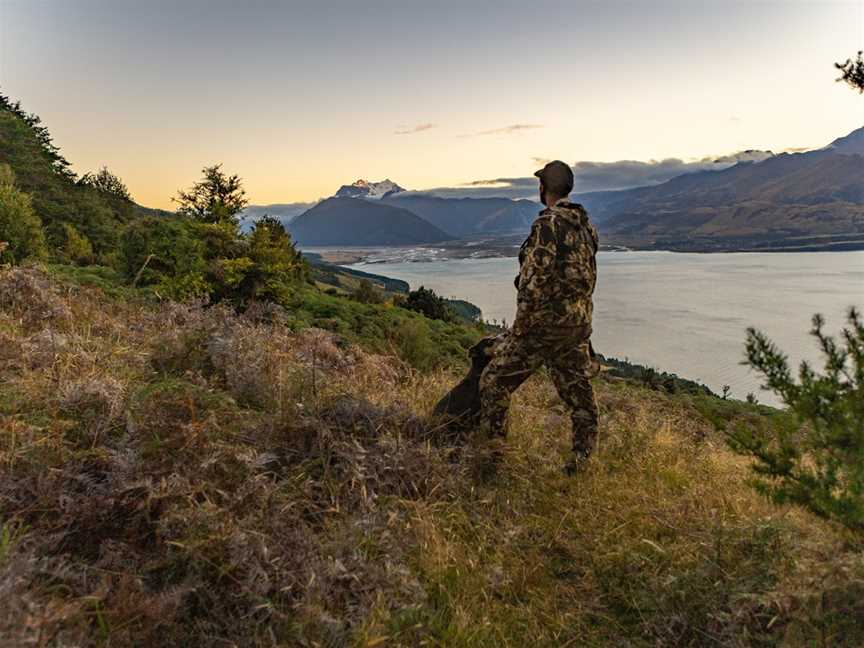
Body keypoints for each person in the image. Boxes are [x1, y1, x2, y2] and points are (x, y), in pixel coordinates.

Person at [476, 160, 600, 474]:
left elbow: (532, 282)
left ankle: (492, 460)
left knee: (493, 382)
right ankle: (581, 462)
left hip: (544, 327)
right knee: (580, 399)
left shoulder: (548, 225)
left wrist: (519, 330)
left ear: (542, 188)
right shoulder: (586, 226)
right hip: (577, 326)